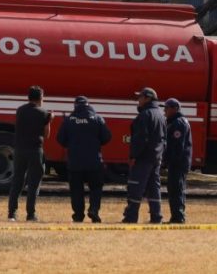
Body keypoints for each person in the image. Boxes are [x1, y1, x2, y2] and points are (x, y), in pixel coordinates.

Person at [56, 96, 112, 223]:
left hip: (75, 161)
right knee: (96, 187)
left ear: (75, 106)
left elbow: (60, 139)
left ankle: (78, 215)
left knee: (76, 189)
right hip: (94, 161)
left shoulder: (69, 120)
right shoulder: (97, 119)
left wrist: (71, 145)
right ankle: (94, 210)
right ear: (88, 105)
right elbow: (107, 137)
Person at [7, 86, 53, 222]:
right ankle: (31, 214)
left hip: (20, 149)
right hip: (35, 150)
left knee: (17, 181)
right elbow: (47, 134)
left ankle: (12, 213)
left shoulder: (20, 110)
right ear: (40, 98)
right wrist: (49, 120)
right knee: (34, 182)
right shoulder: (44, 113)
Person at [122, 87, 166, 224]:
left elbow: (140, 138)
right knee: (154, 188)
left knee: (136, 186)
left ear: (148, 98)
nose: (138, 100)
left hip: (143, 158)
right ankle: (156, 216)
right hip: (156, 157)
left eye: (140, 97)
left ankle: (131, 216)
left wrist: (134, 155)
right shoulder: (160, 114)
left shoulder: (145, 115)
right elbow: (164, 138)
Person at [163, 97, 191, 223]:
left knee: (176, 189)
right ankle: (176, 216)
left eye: (167, 108)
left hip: (178, 163)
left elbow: (178, 146)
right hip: (177, 162)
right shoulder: (175, 121)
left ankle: (178, 217)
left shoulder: (179, 123)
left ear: (174, 109)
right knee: (174, 189)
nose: (164, 111)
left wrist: (170, 161)